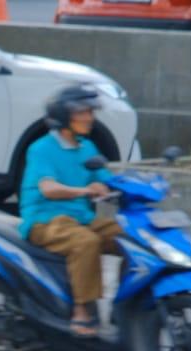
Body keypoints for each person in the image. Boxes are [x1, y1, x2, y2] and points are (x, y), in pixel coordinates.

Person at [19, 83, 121, 336]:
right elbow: (49, 189)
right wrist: (86, 191)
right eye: (82, 113)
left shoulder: (86, 147)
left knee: (130, 237)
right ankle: (81, 311)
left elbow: (108, 178)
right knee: (86, 243)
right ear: (64, 117)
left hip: (81, 217)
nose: (89, 118)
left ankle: (123, 308)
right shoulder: (42, 148)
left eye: (90, 112)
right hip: (45, 220)